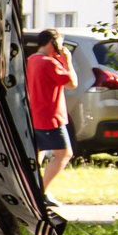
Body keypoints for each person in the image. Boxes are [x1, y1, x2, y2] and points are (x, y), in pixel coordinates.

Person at [26, 28, 75, 191]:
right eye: (60, 44)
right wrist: (67, 61)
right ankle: (41, 192)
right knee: (64, 154)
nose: (61, 49)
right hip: (51, 117)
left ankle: (31, 189)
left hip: (35, 114)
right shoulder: (50, 63)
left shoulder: (32, 59)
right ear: (51, 43)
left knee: (37, 154)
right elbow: (72, 84)